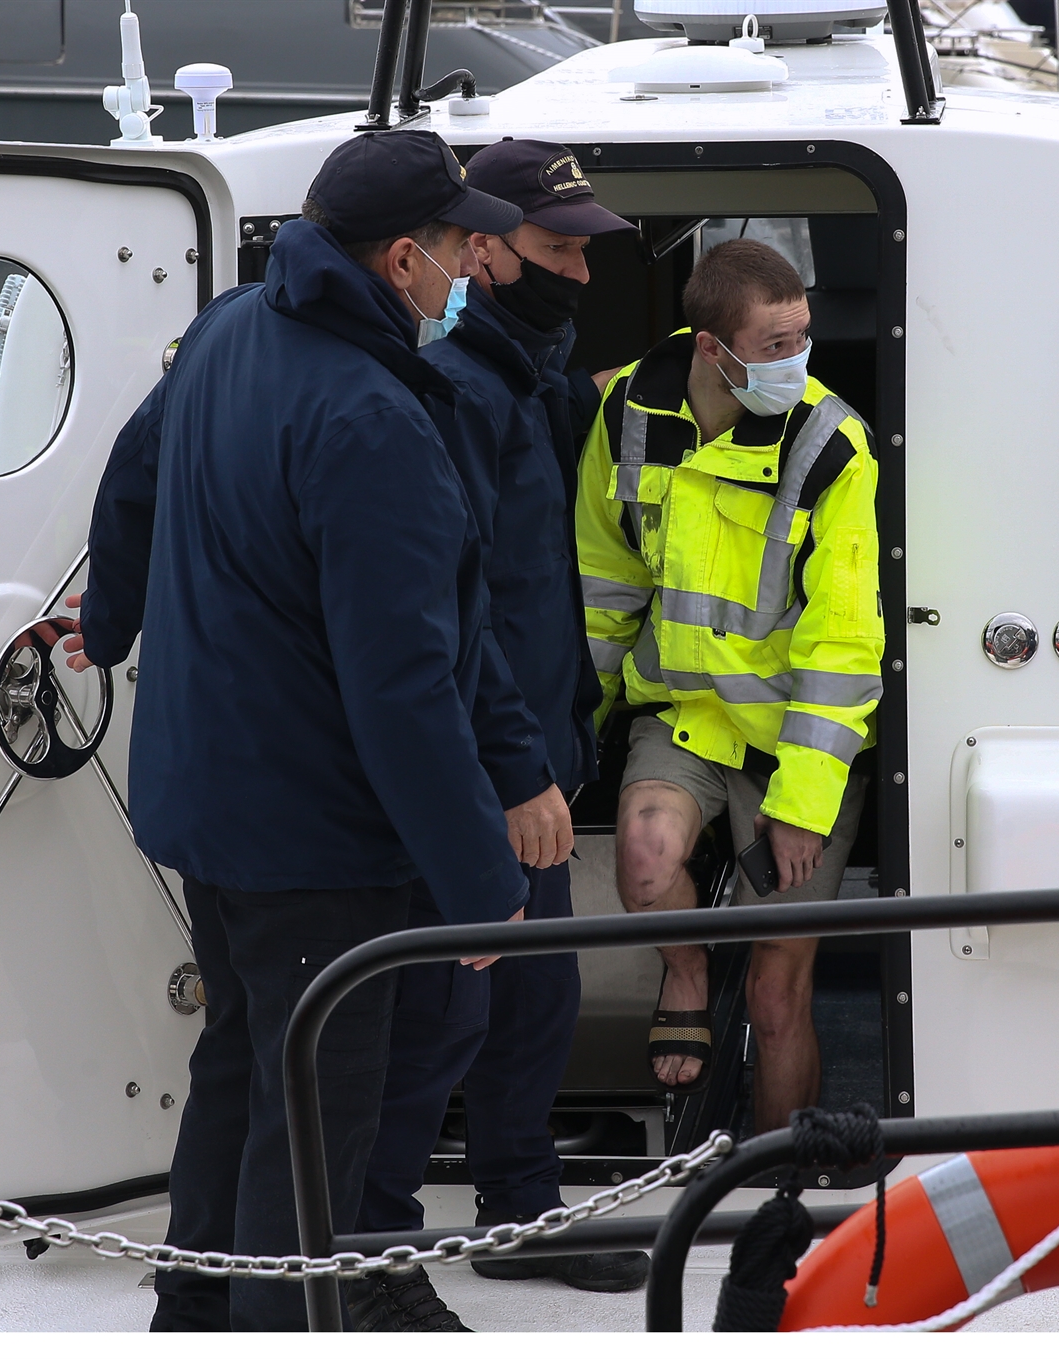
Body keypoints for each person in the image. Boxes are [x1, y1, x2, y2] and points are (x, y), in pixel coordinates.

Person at [71, 129, 572, 1332]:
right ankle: (272, 1338)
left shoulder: (231, 327)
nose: (475, 271)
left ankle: (192, 1316)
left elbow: (130, 481)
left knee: (241, 1069)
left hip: (207, 802)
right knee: (316, 1121)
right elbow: (404, 682)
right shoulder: (371, 417)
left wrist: (110, 619)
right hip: (318, 834)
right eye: (461, 250)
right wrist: (476, 881)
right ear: (402, 258)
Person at [349, 139, 646, 1330]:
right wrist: (511, 762)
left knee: (529, 1002)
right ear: (488, 250)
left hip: (527, 747)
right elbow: (454, 608)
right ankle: (380, 1242)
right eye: (556, 249)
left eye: (584, 249)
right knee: (450, 1014)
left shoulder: (535, 381)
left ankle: (516, 1211)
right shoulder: (460, 392)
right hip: (481, 761)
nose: (578, 271)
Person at [576, 238, 884, 1132]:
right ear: (712, 346)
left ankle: (778, 1186)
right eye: (776, 343)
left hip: (798, 740)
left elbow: (843, 640)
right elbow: (604, 588)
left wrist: (802, 798)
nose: (799, 361)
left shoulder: (834, 445)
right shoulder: (627, 408)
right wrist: (566, 741)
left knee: (780, 993)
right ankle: (685, 968)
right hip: (681, 720)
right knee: (643, 856)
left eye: (804, 338)